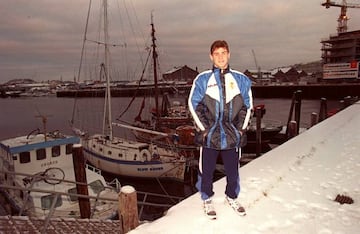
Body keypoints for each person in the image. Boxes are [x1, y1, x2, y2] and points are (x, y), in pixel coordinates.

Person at [188, 40, 253, 219]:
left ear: (229, 54)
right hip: (209, 137)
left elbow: (247, 106)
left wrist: (240, 130)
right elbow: (193, 105)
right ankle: (207, 199)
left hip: (232, 136)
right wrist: (205, 129)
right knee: (206, 171)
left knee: (233, 171)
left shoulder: (241, 79)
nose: (220, 57)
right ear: (211, 56)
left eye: (223, 53)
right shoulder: (202, 79)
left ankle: (232, 196)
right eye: (216, 54)